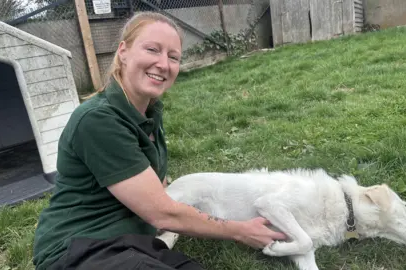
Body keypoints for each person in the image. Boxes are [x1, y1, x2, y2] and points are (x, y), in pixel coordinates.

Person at [32, 11, 287, 270]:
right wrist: (239, 230)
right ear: (123, 51)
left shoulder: (149, 113)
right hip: (79, 249)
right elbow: (161, 212)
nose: (163, 64)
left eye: (173, 57)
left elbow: (157, 186)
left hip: (133, 244)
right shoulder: (98, 120)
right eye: (152, 50)